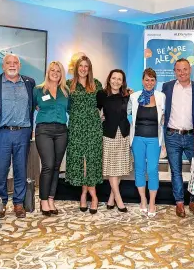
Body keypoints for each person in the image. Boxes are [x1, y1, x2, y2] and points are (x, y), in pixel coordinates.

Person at [0, 54, 36, 218]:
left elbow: (34, 106)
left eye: (15, 63)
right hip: (3, 133)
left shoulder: (29, 83)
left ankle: (18, 203)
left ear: (20, 66)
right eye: (9, 63)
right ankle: (1, 203)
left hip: (23, 132)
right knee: (1, 170)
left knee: (21, 169)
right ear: (3, 66)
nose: (12, 65)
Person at [162, 58, 194, 218]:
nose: (182, 73)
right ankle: (179, 203)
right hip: (172, 135)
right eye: (178, 70)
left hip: (192, 136)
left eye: (185, 69)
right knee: (176, 171)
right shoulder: (166, 87)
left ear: (190, 70)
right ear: (174, 72)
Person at [66, 56, 103, 214]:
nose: (83, 69)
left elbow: (105, 103)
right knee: (81, 162)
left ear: (89, 68)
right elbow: (62, 104)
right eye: (80, 66)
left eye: (86, 66)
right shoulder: (68, 85)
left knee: (92, 161)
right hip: (76, 128)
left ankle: (92, 196)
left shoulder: (97, 84)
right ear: (76, 68)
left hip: (93, 128)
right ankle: (84, 193)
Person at [128, 68, 166, 217]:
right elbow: (124, 111)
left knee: (152, 170)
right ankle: (143, 200)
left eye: (152, 80)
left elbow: (165, 116)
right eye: (147, 79)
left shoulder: (161, 97)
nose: (149, 83)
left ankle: (152, 202)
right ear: (142, 81)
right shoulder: (134, 97)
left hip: (154, 140)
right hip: (137, 139)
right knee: (139, 170)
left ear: (155, 82)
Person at [33, 61, 69, 216]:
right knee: (47, 165)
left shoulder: (66, 91)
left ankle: (51, 199)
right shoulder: (38, 90)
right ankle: (43, 200)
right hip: (44, 130)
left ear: (62, 74)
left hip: (62, 130)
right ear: (48, 72)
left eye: (58, 71)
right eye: (52, 70)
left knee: (56, 166)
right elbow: (32, 106)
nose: (55, 73)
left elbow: (72, 109)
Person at [97, 69, 132, 213]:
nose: (116, 81)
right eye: (114, 78)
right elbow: (96, 112)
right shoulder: (102, 94)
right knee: (112, 167)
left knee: (119, 167)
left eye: (119, 79)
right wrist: (100, 117)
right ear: (109, 79)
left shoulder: (127, 96)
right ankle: (118, 199)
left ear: (122, 82)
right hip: (109, 134)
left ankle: (111, 199)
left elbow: (130, 112)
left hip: (123, 134)